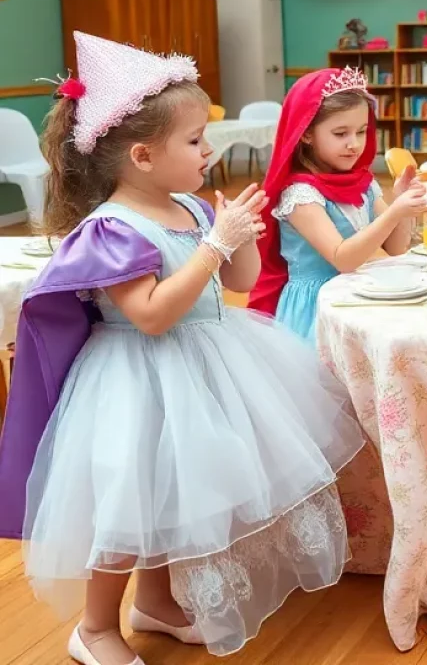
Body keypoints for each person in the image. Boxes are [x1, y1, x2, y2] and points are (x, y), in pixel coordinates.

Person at [0, 33, 364, 665]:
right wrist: (214, 245)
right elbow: (149, 315)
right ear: (142, 154)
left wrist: (237, 234)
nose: (209, 150)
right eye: (194, 140)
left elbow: (241, 283)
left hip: (204, 368)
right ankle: (95, 628)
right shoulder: (113, 227)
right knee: (127, 506)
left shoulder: (190, 208)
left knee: (171, 495)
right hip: (136, 379)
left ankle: (157, 604)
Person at [249, 67, 427, 340]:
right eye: (340, 133)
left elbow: (396, 247)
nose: (354, 144)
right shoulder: (300, 194)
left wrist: (400, 204)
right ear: (306, 134)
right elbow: (343, 258)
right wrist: (395, 212)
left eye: (362, 131)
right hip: (315, 309)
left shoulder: (363, 183)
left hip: (354, 297)